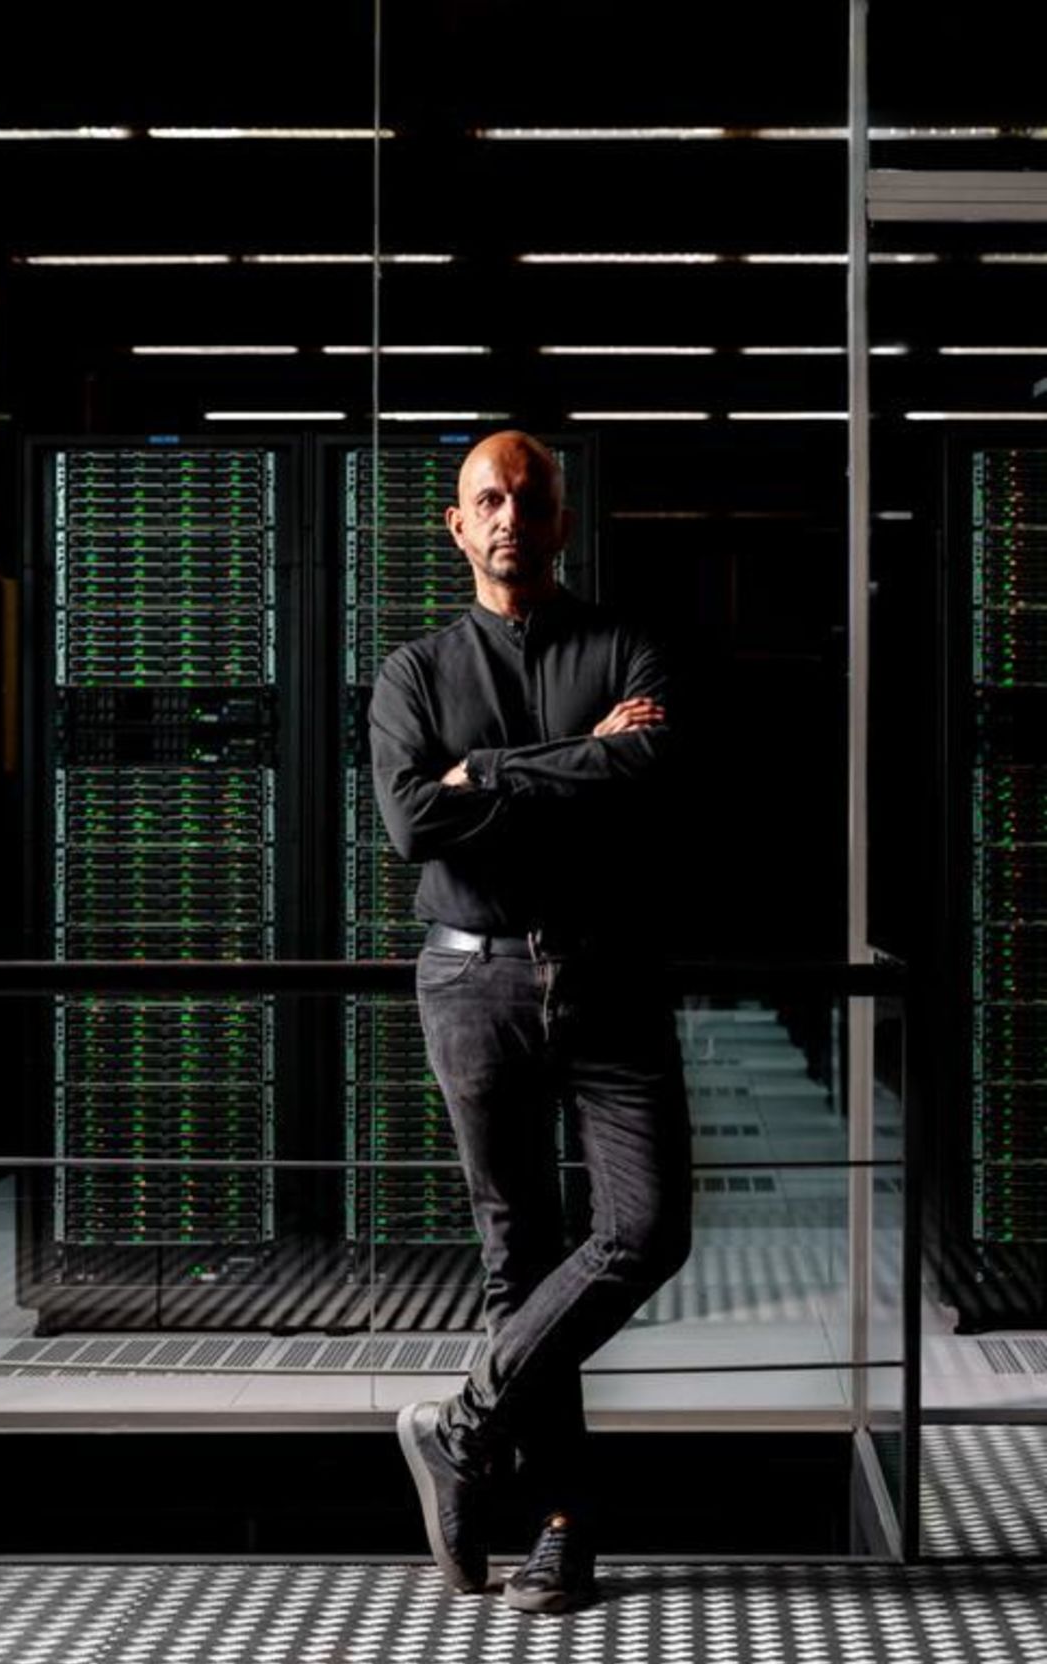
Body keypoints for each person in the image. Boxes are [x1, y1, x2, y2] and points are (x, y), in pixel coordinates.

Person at [369, 430, 692, 1613]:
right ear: (458, 526)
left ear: (563, 518)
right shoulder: (413, 671)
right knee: (519, 1257)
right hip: (471, 980)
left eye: (531, 497)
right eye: (487, 499)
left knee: (648, 1229)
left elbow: (650, 771)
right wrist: (568, 765)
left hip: (609, 977)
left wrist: (483, 778)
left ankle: (459, 1424)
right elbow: (411, 824)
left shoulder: (630, 644)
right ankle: (562, 1530)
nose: (510, 515)